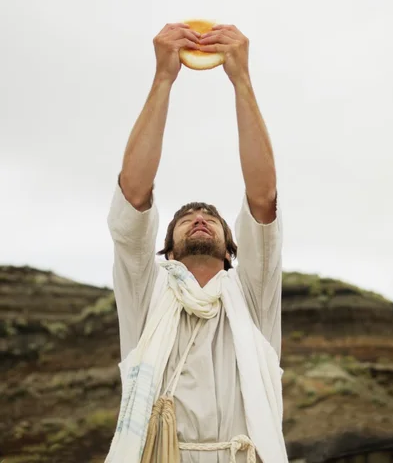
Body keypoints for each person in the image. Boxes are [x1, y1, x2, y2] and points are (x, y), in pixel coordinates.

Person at [106, 23, 287, 463]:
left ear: (231, 248)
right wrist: (163, 77)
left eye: (210, 217)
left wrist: (241, 79)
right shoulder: (146, 292)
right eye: (186, 218)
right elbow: (133, 194)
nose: (200, 218)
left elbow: (263, 199)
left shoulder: (252, 295)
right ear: (167, 252)